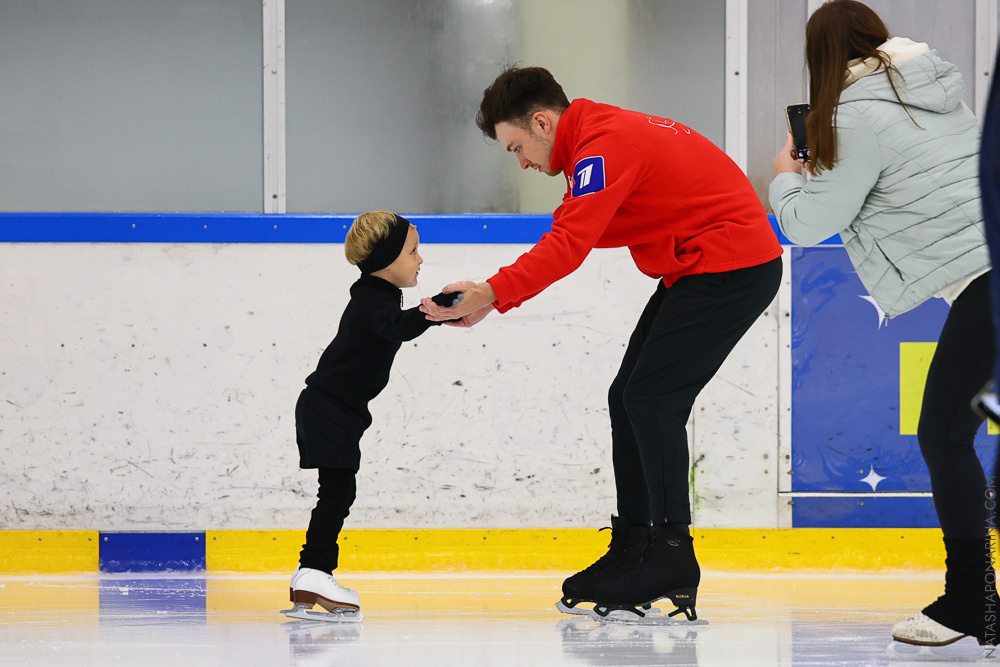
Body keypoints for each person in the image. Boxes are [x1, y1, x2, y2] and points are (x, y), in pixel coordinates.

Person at [421, 65, 783, 621]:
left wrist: (493, 291)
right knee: (628, 397)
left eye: (517, 147)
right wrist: (494, 297)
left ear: (542, 122)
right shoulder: (598, 140)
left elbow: (570, 244)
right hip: (704, 267)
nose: (520, 161)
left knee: (653, 399)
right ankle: (636, 545)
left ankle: (670, 555)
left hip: (731, 267)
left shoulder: (603, 145)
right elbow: (588, 226)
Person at [769, 0, 994, 648]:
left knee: (944, 433)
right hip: (990, 271)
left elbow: (810, 222)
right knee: (951, 432)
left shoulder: (852, 116)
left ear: (822, 60)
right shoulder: (938, 94)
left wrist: (786, 180)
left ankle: (971, 601)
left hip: (987, 284)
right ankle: (976, 598)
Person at [283, 210, 444, 622]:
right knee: (337, 494)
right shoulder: (372, 297)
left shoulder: (379, 297)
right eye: (413, 251)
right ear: (387, 259)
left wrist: (436, 313)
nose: (420, 259)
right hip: (329, 408)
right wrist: (438, 307)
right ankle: (314, 571)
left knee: (337, 493)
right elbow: (399, 327)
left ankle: (311, 575)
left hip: (335, 410)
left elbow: (399, 324)